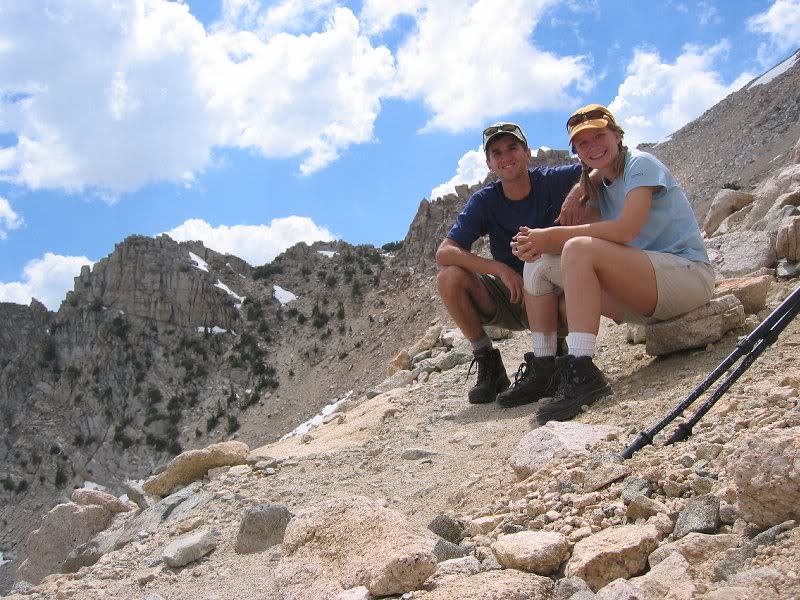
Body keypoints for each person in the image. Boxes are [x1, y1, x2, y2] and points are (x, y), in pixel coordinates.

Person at [509, 103, 714, 424]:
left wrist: (551, 236)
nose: (593, 146)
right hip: (646, 292)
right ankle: (545, 366)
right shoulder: (597, 184)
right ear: (575, 151)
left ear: (617, 135)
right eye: (583, 143)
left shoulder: (641, 164)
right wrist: (537, 243)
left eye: (599, 136)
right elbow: (587, 224)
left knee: (575, 248)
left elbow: (625, 230)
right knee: (538, 264)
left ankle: (582, 370)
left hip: (688, 278)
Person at [435, 122, 584, 405]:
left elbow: (602, 165)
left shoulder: (553, 180)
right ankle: (488, 363)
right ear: (490, 164)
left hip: (553, 293)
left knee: (569, 292)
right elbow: (445, 252)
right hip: (513, 296)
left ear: (528, 152)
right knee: (448, 277)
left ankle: (557, 355)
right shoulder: (485, 201)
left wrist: (577, 192)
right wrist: (500, 270)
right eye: (497, 152)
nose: (506, 157)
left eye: (512, 148)